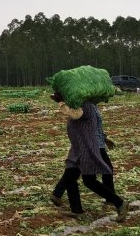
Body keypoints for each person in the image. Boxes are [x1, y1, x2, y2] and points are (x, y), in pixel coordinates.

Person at [49, 94, 128, 222]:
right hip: (78, 148)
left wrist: (61, 102)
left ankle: (119, 203)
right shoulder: (82, 105)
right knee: (70, 177)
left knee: (89, 180)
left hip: (87, 147)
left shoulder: (86, 106)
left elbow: (74, 114)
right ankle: (76, 210)